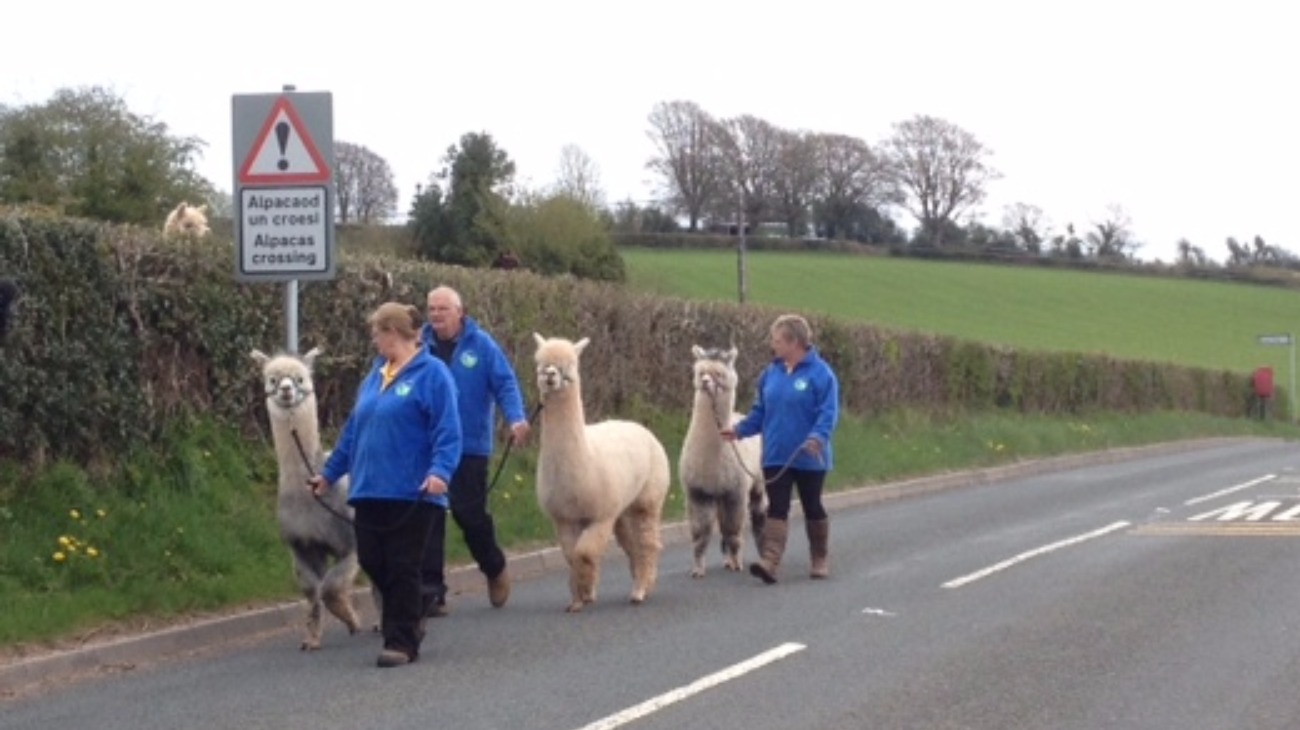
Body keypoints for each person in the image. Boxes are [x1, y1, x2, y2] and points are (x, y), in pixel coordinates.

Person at [308, 302, 462, 668]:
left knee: (403, 564)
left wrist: (440, 472)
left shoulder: (433, 374)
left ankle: (402, 641)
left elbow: (448, 430)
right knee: (376, 561)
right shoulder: (375, 376)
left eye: (378, 332)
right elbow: (353, 432)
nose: (375, 339)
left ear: (395, 333)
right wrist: (328, 474)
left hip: (414, 492)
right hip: (369, 489)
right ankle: (415, 609)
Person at [419, 285, 530, 615]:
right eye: (431, 309)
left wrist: (516, 418)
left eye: (443, 309)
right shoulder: (418, 346)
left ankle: (494, 567)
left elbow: (505, 383)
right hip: (428, 447)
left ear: (460, 312)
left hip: (470, 445)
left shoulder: (481, 346)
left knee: (470, 516)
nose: (436, 314)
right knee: (429, 517)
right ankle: (431, 592)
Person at [721, 314, 840, 584]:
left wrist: (818, 437)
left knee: (812, 505)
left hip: (810, 456)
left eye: (776, 340)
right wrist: (739, 431)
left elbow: (828, 412)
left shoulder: (821, 374)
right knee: (777, 506)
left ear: (793, 342)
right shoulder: (770, 374)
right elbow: (760, 411)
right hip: (776, 454)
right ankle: (770, 561)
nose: (772, 345)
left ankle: (819, 557)